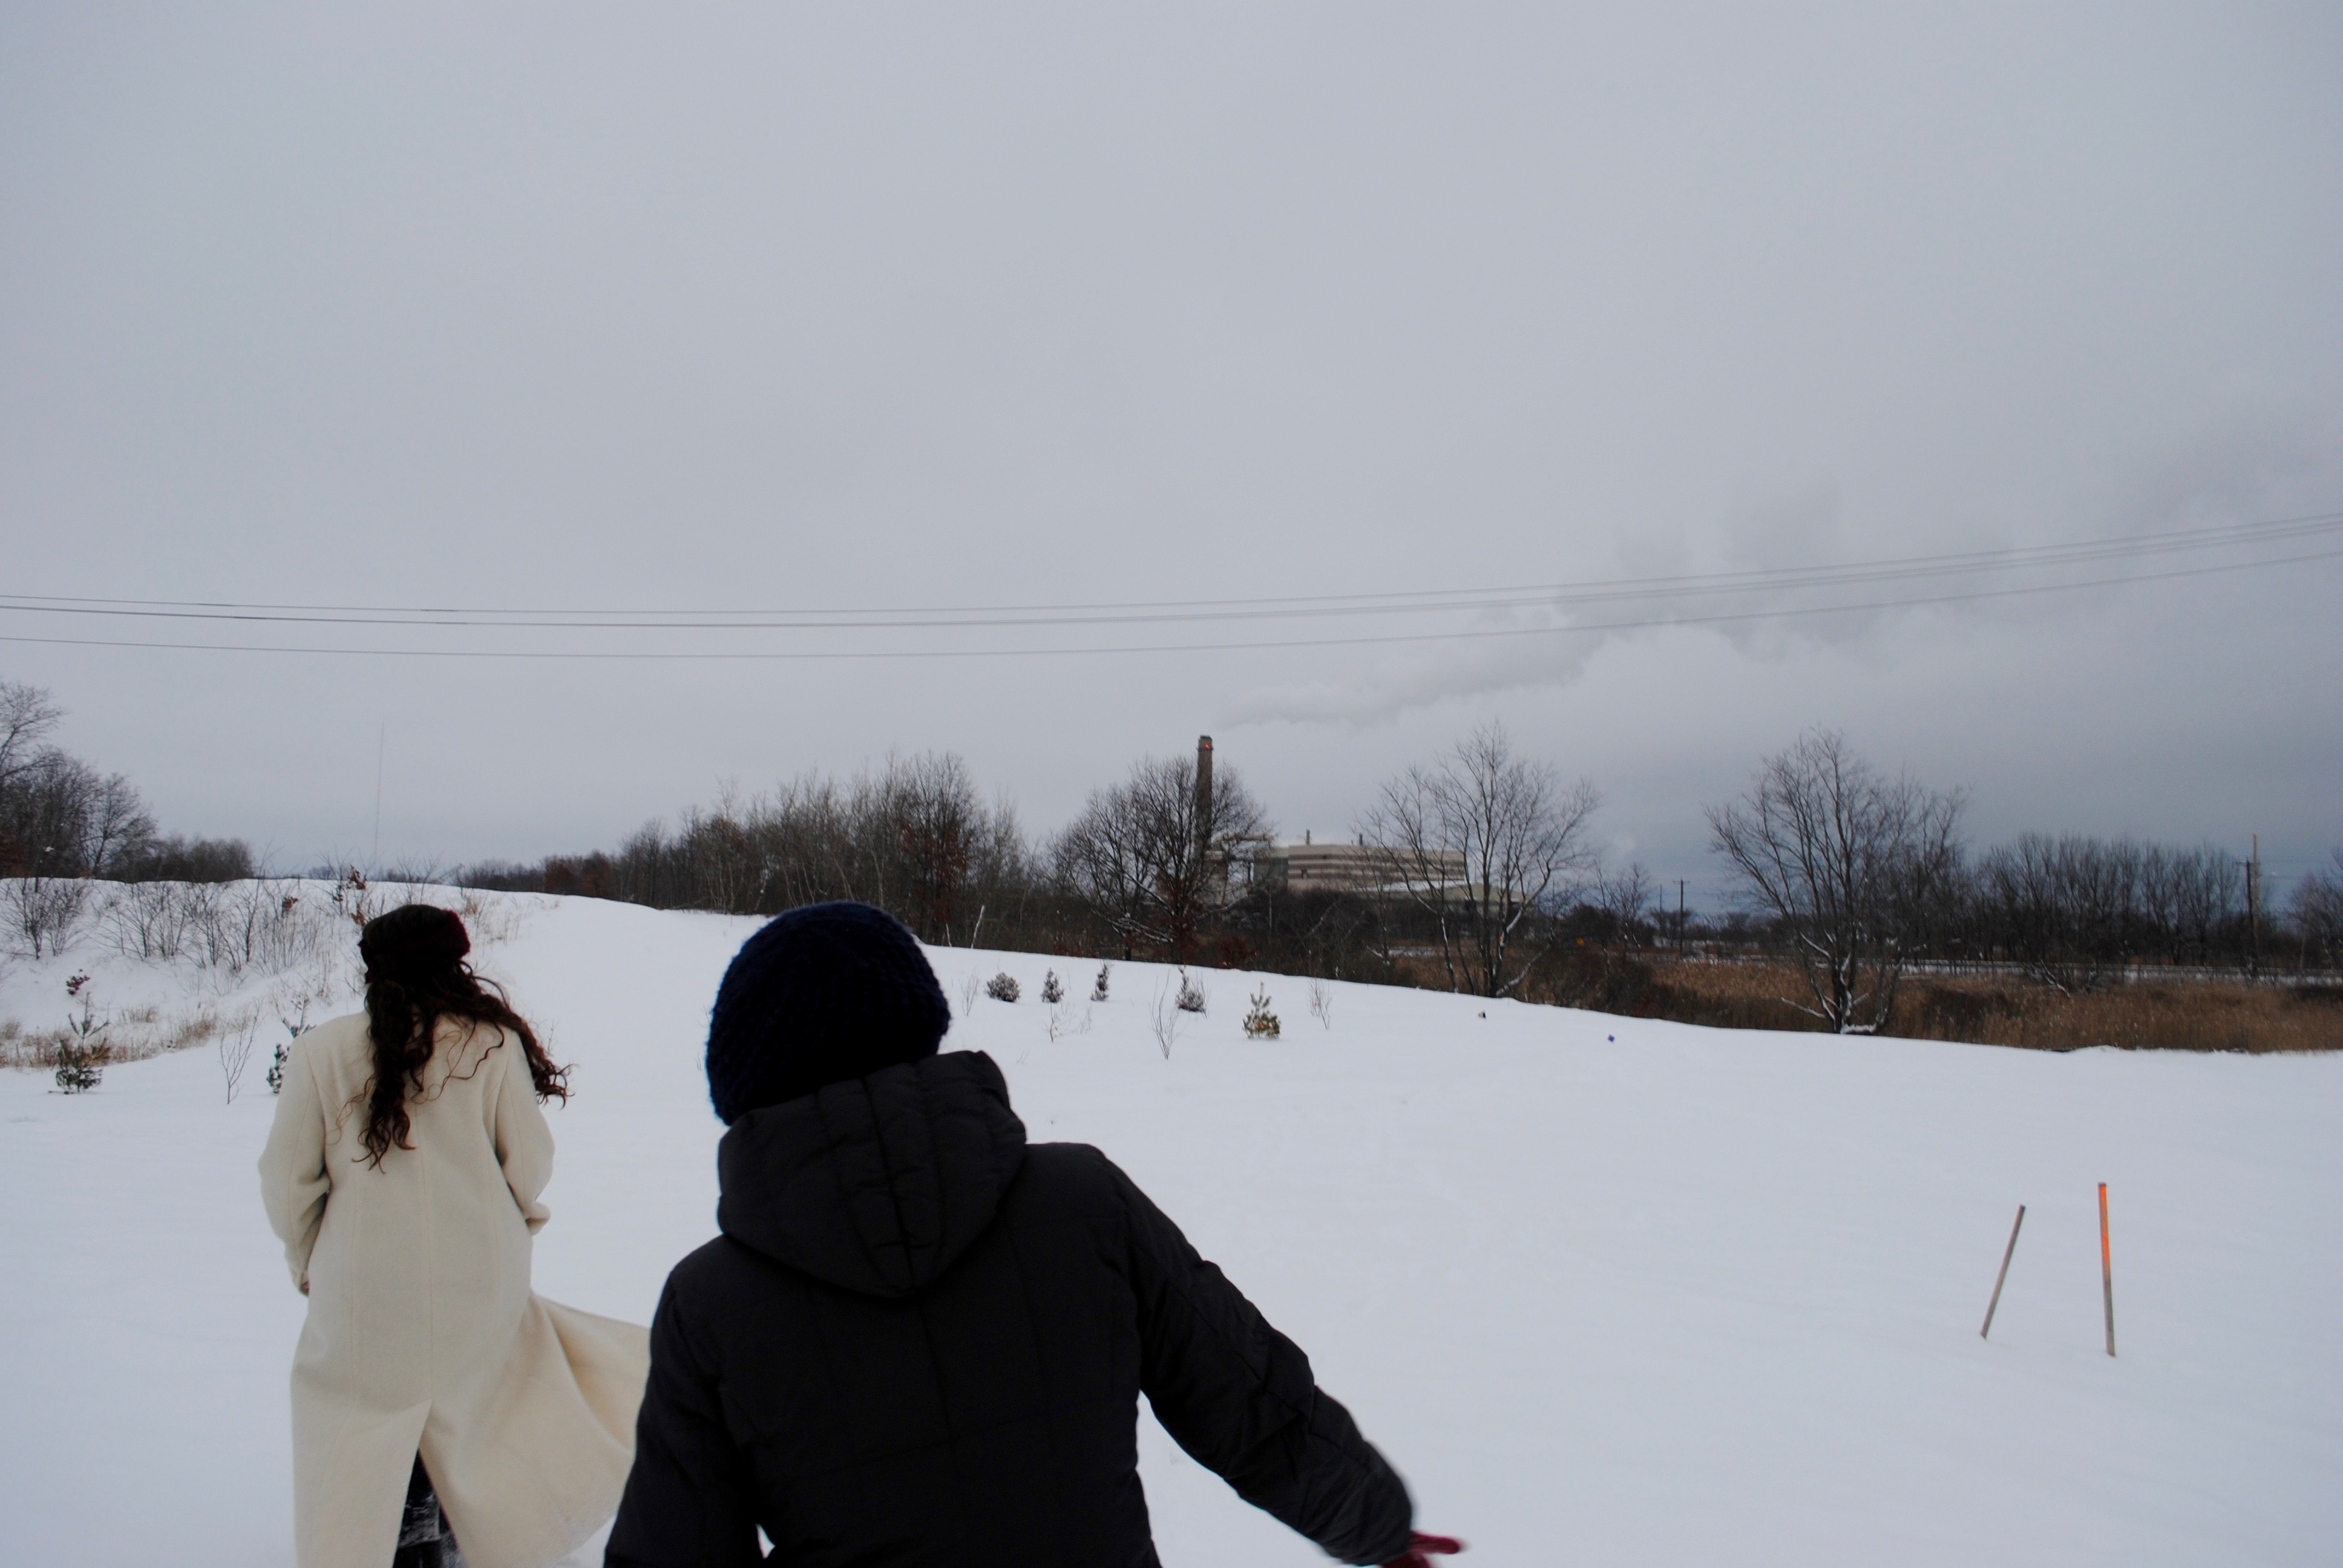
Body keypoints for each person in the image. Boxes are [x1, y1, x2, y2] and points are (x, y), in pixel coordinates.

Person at [606, 901, 1460, 1568]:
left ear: (746, 1087)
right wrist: (1374, 1523)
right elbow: (1250, 1401)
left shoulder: (709, 1304)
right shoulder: (1083, 1201)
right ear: (919, 1027)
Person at [260, 904, 650, 1568]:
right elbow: (528, 1162)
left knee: (363, 1420)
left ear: (373, 970)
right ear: (455, 963)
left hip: (360, 1287)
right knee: (482, 1409)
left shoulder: (320, 1051)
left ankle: (380, 1540)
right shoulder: (488, 1045)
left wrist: (310, 1262)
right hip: (478, 1273)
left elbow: (287, 1181)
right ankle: (465, 1534)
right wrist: (516, 1222)